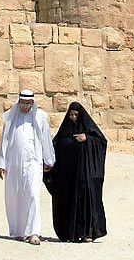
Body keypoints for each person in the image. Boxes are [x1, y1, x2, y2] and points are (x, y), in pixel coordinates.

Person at [0, 89, 55, 246]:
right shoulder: (11, 117)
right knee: (16, 196)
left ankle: (34, 232)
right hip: (14, 163)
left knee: (32, 194)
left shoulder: (40, 117)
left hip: (33, 163)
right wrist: (2, 162)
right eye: (22, 103)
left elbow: (45, 139)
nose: (24, 106)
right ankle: (20, 231)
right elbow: (5, 140)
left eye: (27, 103)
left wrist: (48, 159)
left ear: (32, 103)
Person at [43, 102, 107, 242]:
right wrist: (48, 164)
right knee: (68, 203)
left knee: (86, 204)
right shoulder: (64, 131)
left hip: (85, 176)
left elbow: (102, 142)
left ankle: (87, 233)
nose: (73, 117)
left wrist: (87, 139)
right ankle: (70, 233)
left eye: (76, 115)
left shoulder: (88, 130)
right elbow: (54, 148)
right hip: (68, 177)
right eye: (71, 114)